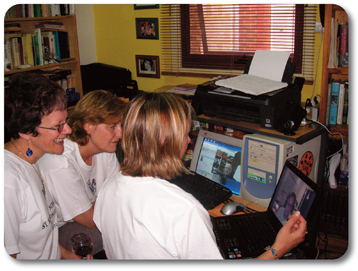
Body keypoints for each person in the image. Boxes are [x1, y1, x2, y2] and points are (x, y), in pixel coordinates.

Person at [93, 92, 308, 259]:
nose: (188, 141)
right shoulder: (183, 210)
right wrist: (279, 248)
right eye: (185, 134)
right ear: (165, 141)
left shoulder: (108, 188)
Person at [4, 73, 90, 259]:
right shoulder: (8, 182)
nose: (67, 131)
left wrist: (68, 256)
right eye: (58, 126)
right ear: (26, 131)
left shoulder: (33, 161)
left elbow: (41, 239)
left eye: (66, 122)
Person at [38, 89, 126, 259]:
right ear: (88, 126)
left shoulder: (105, 149)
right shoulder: (59, 161)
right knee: (123, 232)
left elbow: (120, 193)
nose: (120, 133)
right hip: (58, 230)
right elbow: (90, 220)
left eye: (120, 126)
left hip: (95, 213)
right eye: (112, 127)